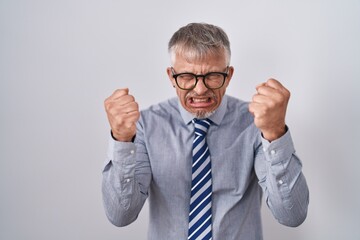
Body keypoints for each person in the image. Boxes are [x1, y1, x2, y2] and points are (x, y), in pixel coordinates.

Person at [102, 22, 309, 240]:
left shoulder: (255, 124)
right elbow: (120, 216)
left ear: (228, 76)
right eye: (187, 77)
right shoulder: (145, 125)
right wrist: (123, 141)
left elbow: (292, 215)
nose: (200, 90)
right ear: (172, 77)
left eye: (212, 76)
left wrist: (275, 134)